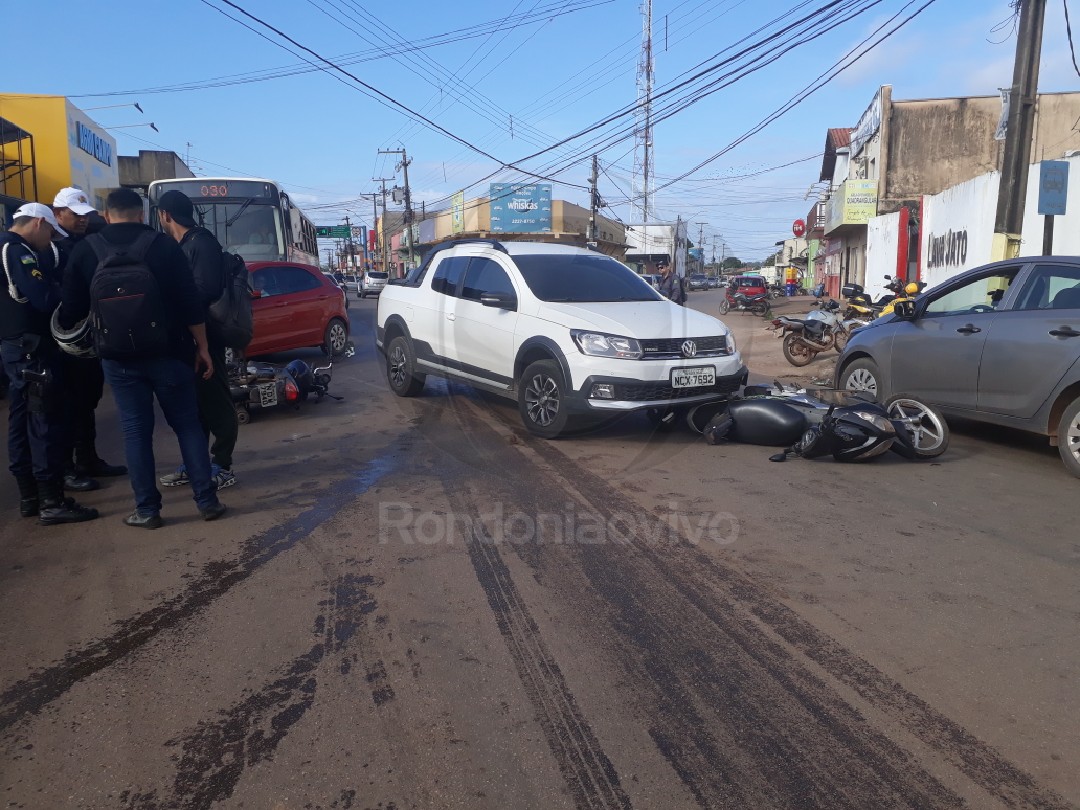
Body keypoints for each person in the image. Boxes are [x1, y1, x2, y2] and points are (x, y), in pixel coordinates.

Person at [59, 188, 226, 529]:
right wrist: (203, 348)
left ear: (106, 215)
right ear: (141, 215)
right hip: (171, 353)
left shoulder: (86, 250)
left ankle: (147, 510)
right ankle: (207, 502)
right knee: (187, 426)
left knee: (135, 432)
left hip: (118, 359)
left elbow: (71, 309)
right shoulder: (164, 246)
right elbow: (190, 302)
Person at [0, 204, 99, 524]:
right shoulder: (18, 251)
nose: (51, 241)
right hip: (32, 350)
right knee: (44, 424)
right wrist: (64, 288)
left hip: (15, 347)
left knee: (20, 422)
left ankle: (30, 496)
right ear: (39, 222)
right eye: (50, 234)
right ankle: (52, 501)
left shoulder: (5, 246)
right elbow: (43, 298)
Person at [155, 190, 238, 491]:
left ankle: (223, 465)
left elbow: (205, 290)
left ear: (165, 215)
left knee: (217, 402)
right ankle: (197, 464)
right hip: (187, 339)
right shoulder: (183, 244)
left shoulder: (201, 243)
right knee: (195, 407)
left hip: (208, 336)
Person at [49, 187, 128, 491]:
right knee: (67, 405)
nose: (82, 221)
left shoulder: (82, 243)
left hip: (90, 336)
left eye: (85, 216)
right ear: (58, 214)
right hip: (67, 339)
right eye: (75, 215)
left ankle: (87, 458)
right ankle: (67, 467)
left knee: (88, 399)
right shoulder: (54, 247)